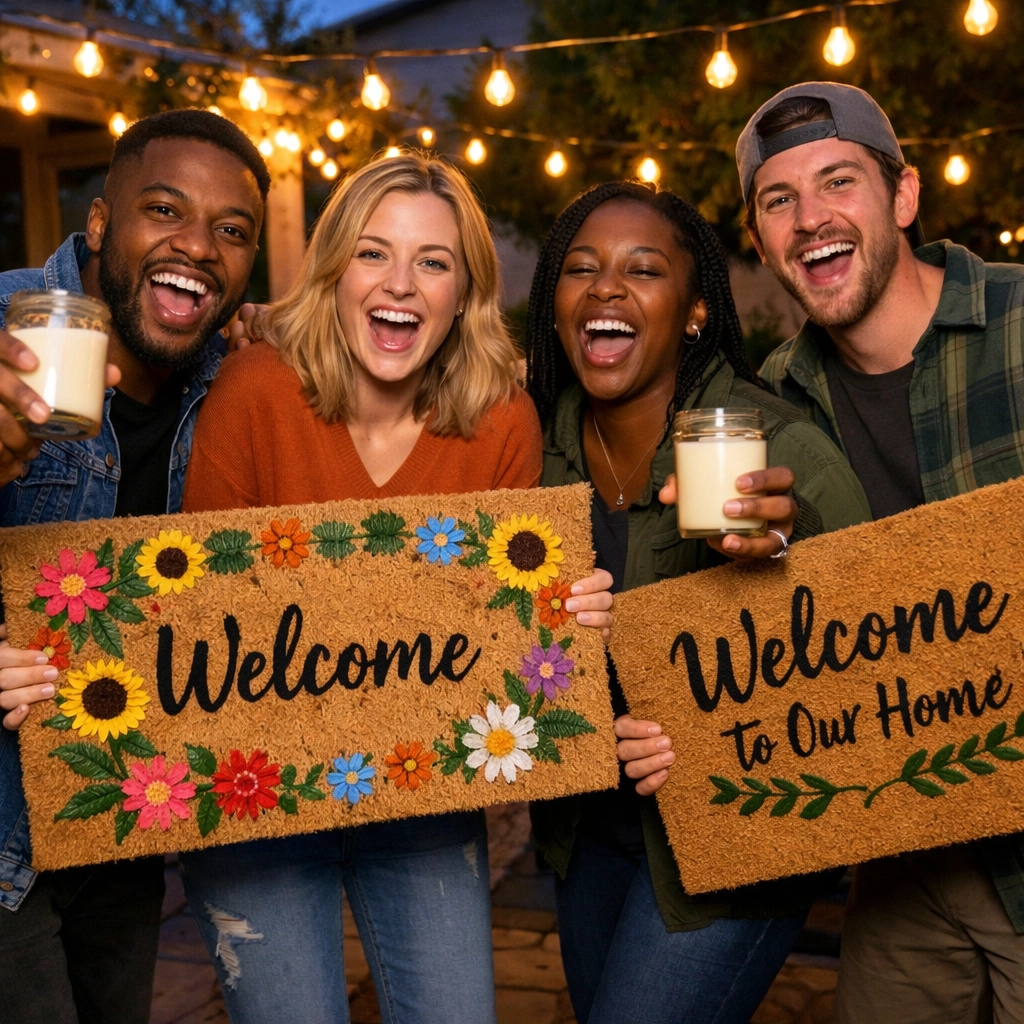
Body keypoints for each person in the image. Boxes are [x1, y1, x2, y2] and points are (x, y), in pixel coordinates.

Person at [176, 151, 612, 1024]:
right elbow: (196, 619)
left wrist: (559, 617)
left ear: (464, 293)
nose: (401, 283)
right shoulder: (255, 388)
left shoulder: (501, 421)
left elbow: (502, 646)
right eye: (374, 253)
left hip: (421, 793)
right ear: (334, 271)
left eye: (434, 261)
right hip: (258, 792)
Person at [523, 179, 870, 1024]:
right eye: (581, 269)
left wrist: (781, 545)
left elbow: (871, 665)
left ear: (695, 312)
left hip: (738, 836)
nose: (606, 288)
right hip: (587, 834)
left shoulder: (766, 444)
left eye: (643, 270)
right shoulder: (531, 443)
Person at [734, 81, 1024, 1023]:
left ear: (902, 197)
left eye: (839, 182)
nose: (810, 217)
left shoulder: (1021, 327)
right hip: (908, 856)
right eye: (779, 201)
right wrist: (757, 566)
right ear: (761, 239)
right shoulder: (772, 402)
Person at [0, 109, 268, 1024]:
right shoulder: (5, 329)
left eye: (232, 232)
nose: (198, 247)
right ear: (103, 225)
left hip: (117, 817)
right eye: (166, 210)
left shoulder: (230, 383)